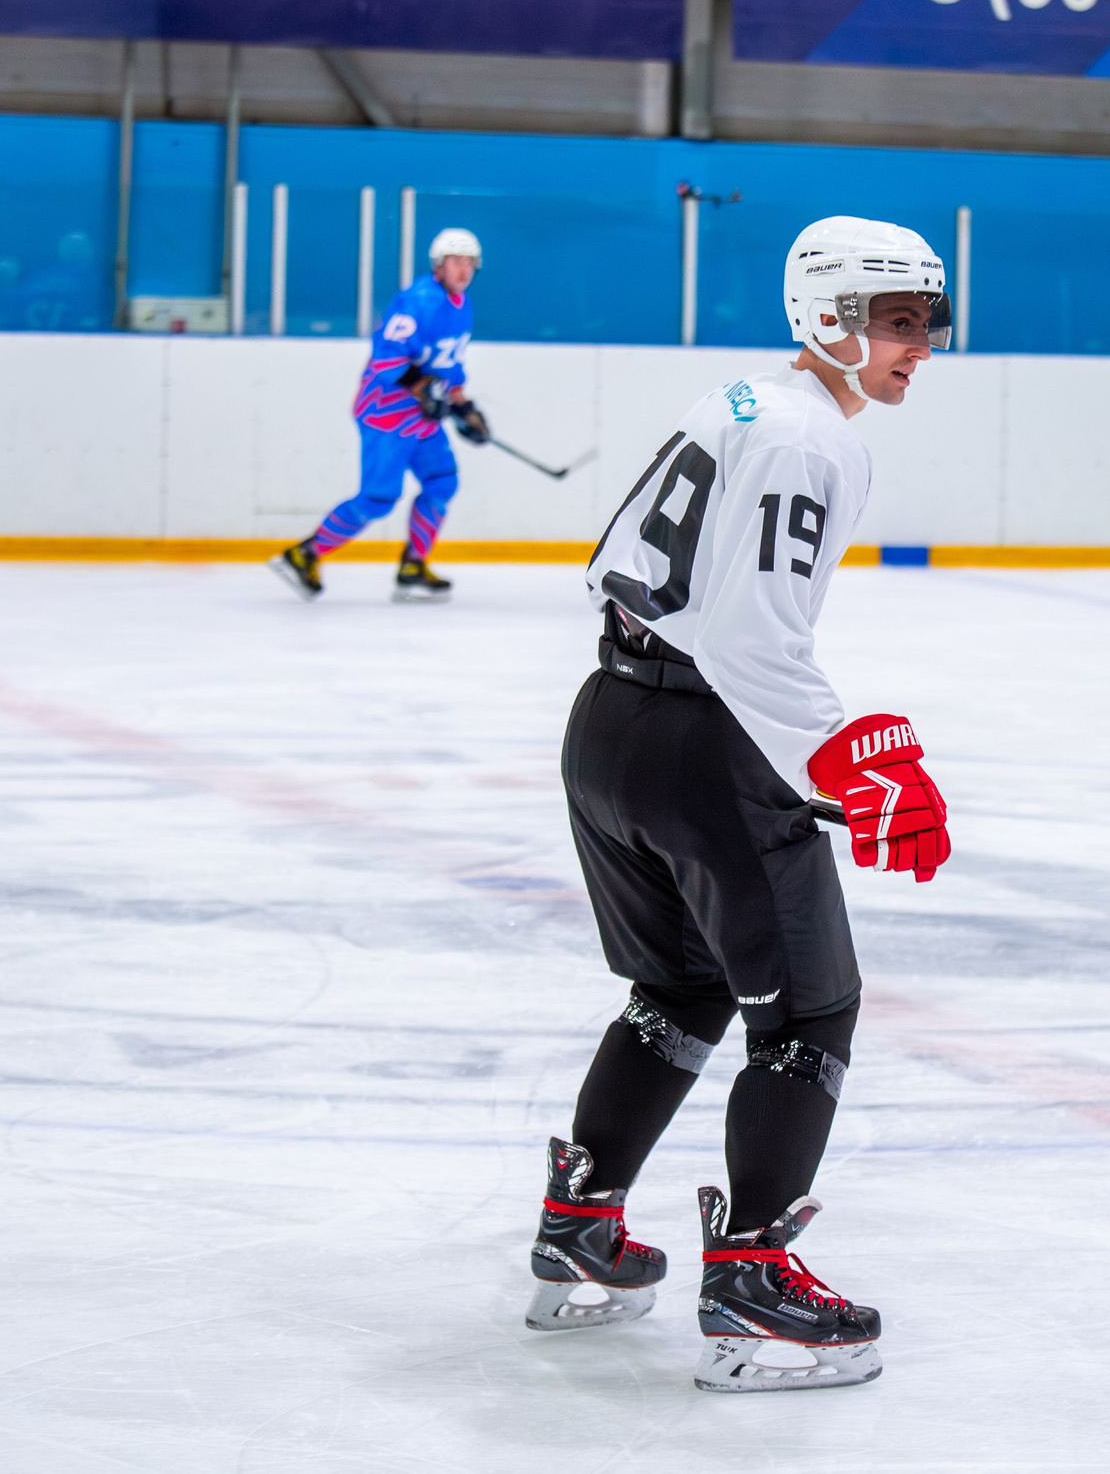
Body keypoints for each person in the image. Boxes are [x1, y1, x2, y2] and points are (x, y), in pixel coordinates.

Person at [528, 216, 955, 1394]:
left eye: (929, 319)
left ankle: (584, 1227)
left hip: (609, 721)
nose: (923, 343)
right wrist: (849, 759)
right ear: (829, 317)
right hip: (706, 740)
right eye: (900, 321)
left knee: (678, 985)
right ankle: (752, 1278)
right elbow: (753, 638)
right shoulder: (818, 442)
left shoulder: (740, 404)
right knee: (811, 1010)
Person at [268, 228, 493, 603]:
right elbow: (386, 355)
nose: (464, 269)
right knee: (378, 497)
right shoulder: (418, 301)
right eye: (456, 261)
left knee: (442, 482)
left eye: (470, 263)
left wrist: (464, 408)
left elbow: (449, 366)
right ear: (439, 266)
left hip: (420, 419)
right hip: (386, 414)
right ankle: (303, 554)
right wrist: (423, 389)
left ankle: (412, 565)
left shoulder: (461, 306)